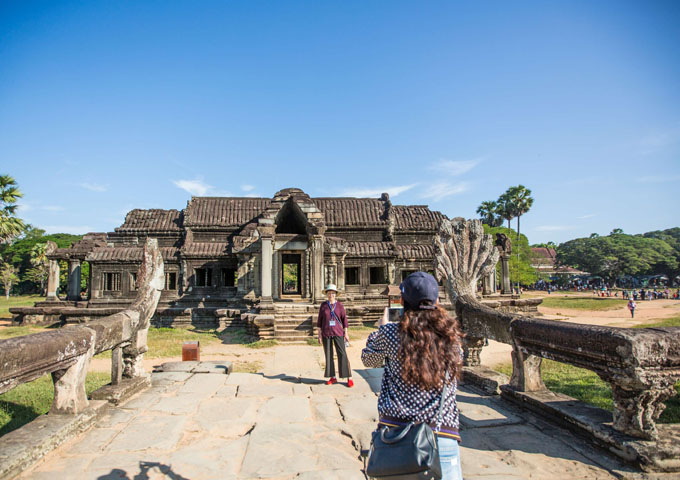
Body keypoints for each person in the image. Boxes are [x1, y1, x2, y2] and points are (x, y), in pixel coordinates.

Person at [362, 272, 464, 480]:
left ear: (402, 302)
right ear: (436, 301)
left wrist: (380, 330)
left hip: (396, 438)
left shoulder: (391, 334)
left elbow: (368, 360)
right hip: (442, 432)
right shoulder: (452, 338)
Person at [317, 284, 353, 387]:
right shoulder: (323, 305)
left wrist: (346, 333)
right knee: (328, 355)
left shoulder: (340, 306)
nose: (331, 295)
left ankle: (348, 377)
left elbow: (344, 320)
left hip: (338, 332)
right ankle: (332, 377)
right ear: (327, 294)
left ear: (336, 294)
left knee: (342, 354)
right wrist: (319, 335)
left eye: (333, 293)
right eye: (329, 293)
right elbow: (320, 321)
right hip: (326, 332)